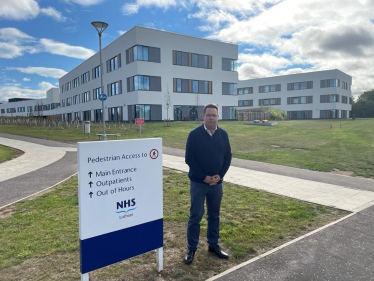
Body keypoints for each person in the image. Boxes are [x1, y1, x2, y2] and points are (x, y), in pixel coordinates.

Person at [183, 103, 232, 265]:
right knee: (195, 216)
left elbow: (227, 157)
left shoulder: (223, 135)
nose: (211, 118)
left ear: (218, 117)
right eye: (208, 115)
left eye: (214, 115)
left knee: (214, 215)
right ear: (203, 117)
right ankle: (192, 248)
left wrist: (220, 176)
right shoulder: (194, 134)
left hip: (217, 184)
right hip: (199, 183)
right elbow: (189, 159)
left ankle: (213, 245)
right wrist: (204, 177)